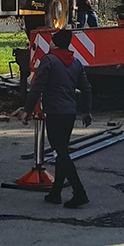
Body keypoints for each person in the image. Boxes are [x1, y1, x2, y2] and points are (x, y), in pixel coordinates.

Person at [23, 28, 93, 207]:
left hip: (55, 112)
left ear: (54, 43)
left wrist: (27, 109)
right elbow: (86, 88)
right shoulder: (76, 63)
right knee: (61, 152)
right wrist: (87, 111)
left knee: (62, 153)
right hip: (70, 113)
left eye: (52, 40)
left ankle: (80, 192)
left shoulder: (49, 60)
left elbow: (38, 87)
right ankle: (55, 193)